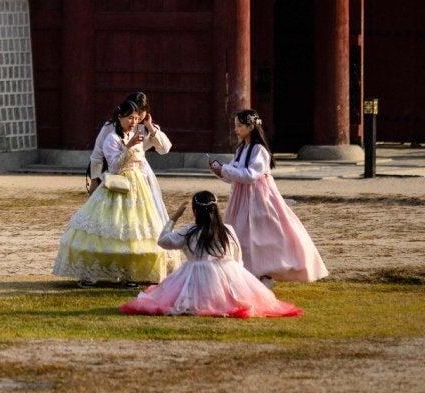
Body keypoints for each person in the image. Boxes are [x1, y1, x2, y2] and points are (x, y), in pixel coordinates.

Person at [120, 191, 302, 318]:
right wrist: (240, 282)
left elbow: (163, 241)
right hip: (227, 275)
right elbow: (237, 259)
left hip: (195, 277)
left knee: (166, 299)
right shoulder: (227, 231)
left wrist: (174, 218)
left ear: (195, 211)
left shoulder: (190, 231)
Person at [53, 100, 171, 286]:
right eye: (129, 118)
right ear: (119, 117)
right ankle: (92, 274)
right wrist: (129, 146)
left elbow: (162, 149)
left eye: (135, 118)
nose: (133, 122)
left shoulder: (137, 135)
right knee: (109, 228)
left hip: (137, 186)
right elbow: (115, 165)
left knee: (135, 228)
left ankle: (129, 274)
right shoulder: (112, 138)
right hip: (116, 186)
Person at [209, 109, 329, 284]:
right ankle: (249, 273)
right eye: (235, 126)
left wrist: (225, 168)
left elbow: (250, 175)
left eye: (239, 126)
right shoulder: (241, 148)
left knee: (262, 234)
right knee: (241, 233)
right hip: (241, 197)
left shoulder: (259, 150)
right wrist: (220, 171)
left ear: (251, 127)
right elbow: (235, 175)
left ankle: (266, 272)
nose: (236, 129)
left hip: (259, 197)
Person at [88, 92, 171, 230]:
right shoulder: (111, 127)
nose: (136, 118)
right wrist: (94, 180)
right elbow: (97, 154)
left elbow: (164, 149)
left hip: (141, 174)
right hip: (117, 172)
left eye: (141, 112)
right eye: (133, 113)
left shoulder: (147, 128)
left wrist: (150, 127)